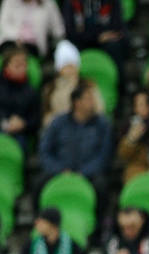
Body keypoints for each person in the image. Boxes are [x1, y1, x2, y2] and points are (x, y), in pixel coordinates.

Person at [38, 80, 112, 213]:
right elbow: (45, 151)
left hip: (90, 173)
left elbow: (103, 155)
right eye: (88, 99)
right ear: (77, 103)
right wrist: (60, 170)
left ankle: (99, 227)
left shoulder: (102, 124)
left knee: (101, 186)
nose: (93, 102)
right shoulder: (58, 122)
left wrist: (83, 172)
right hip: (60, 171)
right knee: (39, 184)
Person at [16, 207, 86, 254]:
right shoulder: (30, 246)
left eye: (41, 221)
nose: (36, 224)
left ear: (52, 224)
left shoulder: (73, 247)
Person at [0, 45, 40, 151]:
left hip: (20, 134)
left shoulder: (31, 92)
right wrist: (5, 123)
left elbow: (35, 120)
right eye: (17, 65)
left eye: (24, 65)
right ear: (6, 66)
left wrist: (23, 124)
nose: (22, 68)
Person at [0, 0, 65, 57]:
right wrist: (18, 38)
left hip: (34, 47)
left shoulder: (48, 3)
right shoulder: (9, 2)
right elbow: (3, 24)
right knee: (9, 51)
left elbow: (58, 30)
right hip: (11, 42)